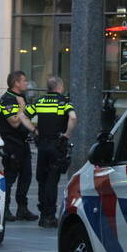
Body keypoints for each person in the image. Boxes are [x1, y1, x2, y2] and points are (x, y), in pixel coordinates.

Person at [26, 76, 76, 228]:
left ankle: (42, 215)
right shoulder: (63, 102)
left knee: (42, 179)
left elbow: (22, 116)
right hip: (57, 145)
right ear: (59, 87)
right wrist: (67, 135)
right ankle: (50, 216)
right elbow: (73, 118)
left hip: (42, 145)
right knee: (52, 181)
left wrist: (34, 130)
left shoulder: (40, 101)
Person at [0, 70, 38, 222]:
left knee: (26, 177)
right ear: (16, 83)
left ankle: (22, 209)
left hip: (23, 144)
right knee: (10, 178)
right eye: (24, 81)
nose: (26, 83)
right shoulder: (7, 99)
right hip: (12, 145)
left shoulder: (21, 97)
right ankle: (5, 209)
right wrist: (21, 108)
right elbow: (14, 122)